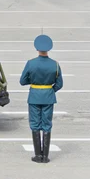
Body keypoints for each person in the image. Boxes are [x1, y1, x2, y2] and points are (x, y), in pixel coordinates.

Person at [19, 34, 64, 164]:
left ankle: (38, 155)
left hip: (34, 96)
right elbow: (59, 84)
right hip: (48, 97)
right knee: (47, 125)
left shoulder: (31, 63)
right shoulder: (55, 65)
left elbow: (22, 81)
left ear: (36, 48)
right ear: (49, 48)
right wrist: (50, 90)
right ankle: (45, 156)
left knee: (35, 124)